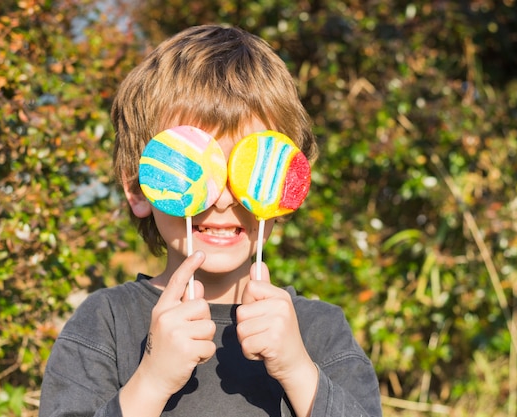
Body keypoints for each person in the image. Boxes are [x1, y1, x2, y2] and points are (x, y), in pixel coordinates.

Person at [39, 24, 382, 417]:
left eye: (251, 168)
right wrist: (151, 382)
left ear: (286, 185)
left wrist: (297, 369)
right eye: (190, 167)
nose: (221, 198)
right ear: (138, 190)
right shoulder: (106, 325)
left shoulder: (319, 332)